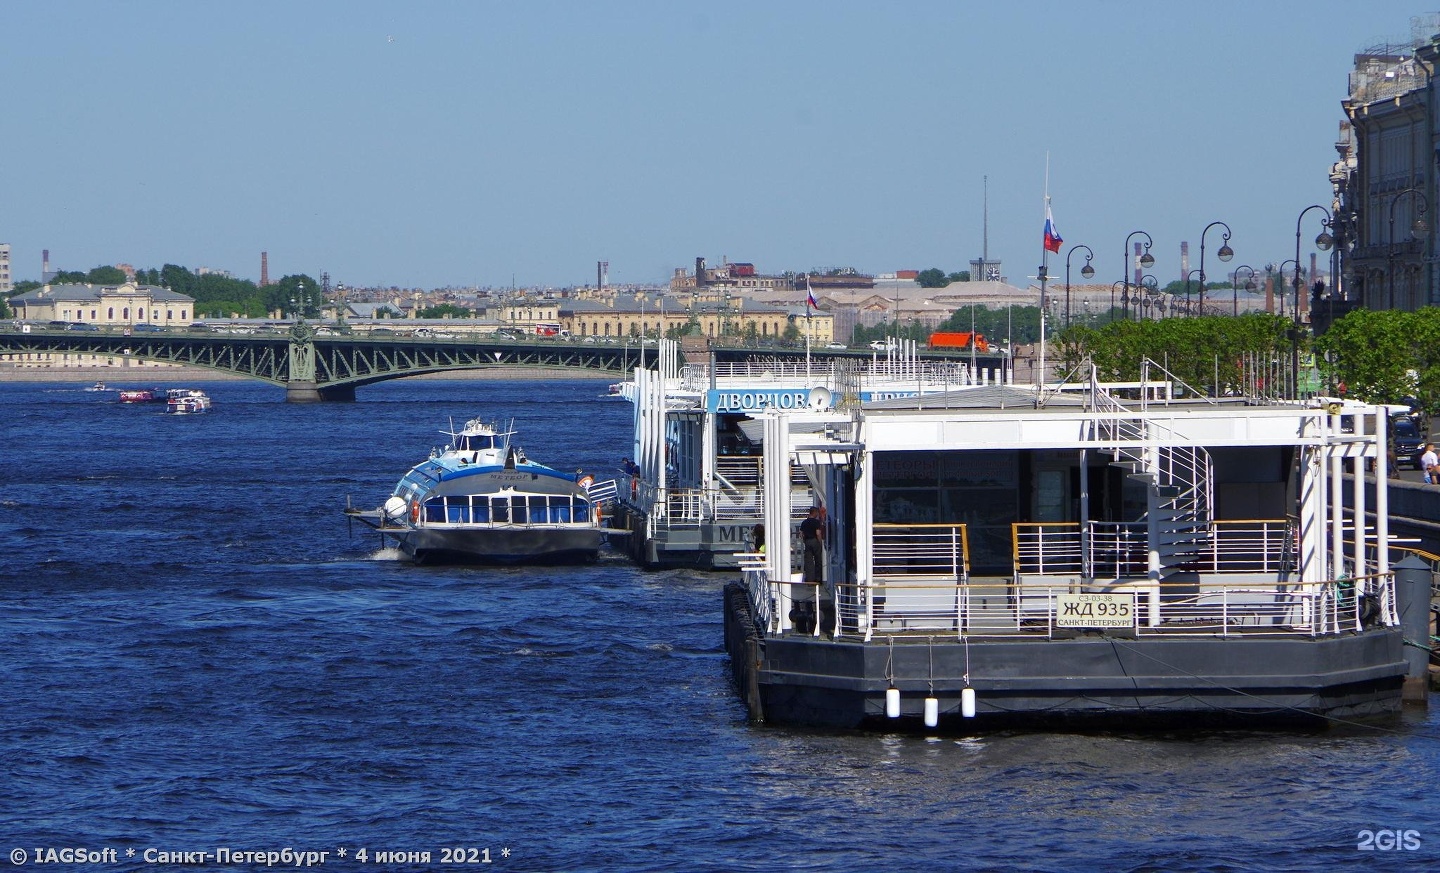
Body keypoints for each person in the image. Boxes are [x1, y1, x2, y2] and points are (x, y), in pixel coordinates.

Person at [799, 506, 824, 583]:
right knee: (818, 560)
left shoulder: (804, 522)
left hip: (807, 541)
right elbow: (818, 533)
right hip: (815, 541)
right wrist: (820, 542)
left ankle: (810, 579)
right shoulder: (816, 522)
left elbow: (801, 534)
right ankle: (818, 578)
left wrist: (804, 541)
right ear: (815, 512)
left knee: (809, 561)